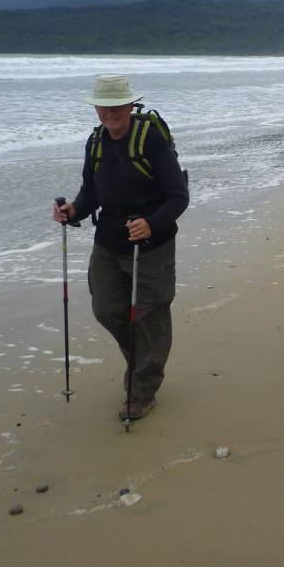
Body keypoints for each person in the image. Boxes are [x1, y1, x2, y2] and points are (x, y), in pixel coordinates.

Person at [53, 75, 189, 420]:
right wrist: (73, 210)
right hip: (109, 242)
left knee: (149, 316)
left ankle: (142, 391)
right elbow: (90, 193)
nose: (109, 112)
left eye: (116, 106)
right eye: (103, 106)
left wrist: (151, 223)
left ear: (130, 106)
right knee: (106, 309)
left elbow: (178, 196)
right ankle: (143, 362)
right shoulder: (96, 141)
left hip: (151, 245)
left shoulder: (151, 140)